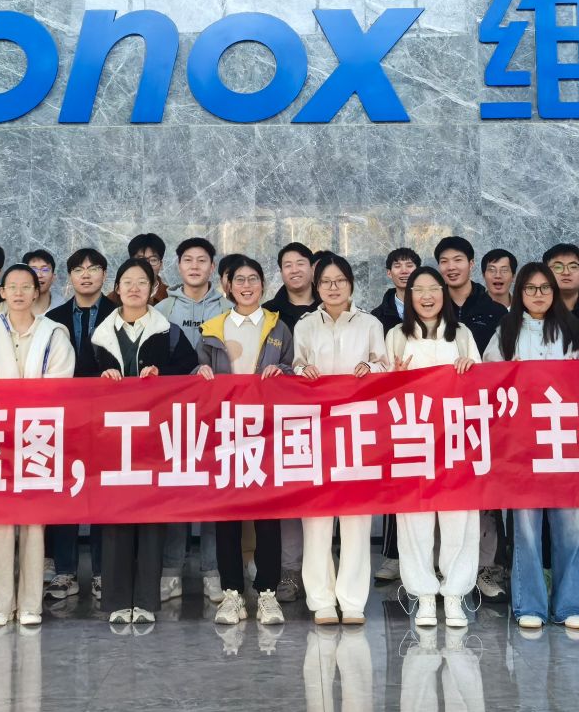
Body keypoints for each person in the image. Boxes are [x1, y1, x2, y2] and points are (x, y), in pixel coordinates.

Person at [89, 257, 198, 625]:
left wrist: (162, 375)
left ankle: (147, 601)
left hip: (154, 441)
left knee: (151, 520)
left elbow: (188, 374)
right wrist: (99, 379)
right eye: (127, 282)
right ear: (116, 289)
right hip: (111, 442)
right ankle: (117, 601)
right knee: (115, 520)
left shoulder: (169, 332)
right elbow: (79, 381)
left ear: (153, 289)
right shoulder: (99, 334)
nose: (134, 288)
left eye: (142, 282)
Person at [0, 264, 74, 628]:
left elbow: (60, 384)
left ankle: (30, 604)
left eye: (25, 287)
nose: (18, 293)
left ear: (36, 291)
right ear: (2, 293)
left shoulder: (53, 334)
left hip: (37, 437)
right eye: (11, 287)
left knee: (33, 523)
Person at [196, 254, 294, 626]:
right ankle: (232, 594)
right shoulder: (213, 328)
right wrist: (199, 370)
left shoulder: (278, 327)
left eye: (254, 279)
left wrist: (282, 370)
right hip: (225, 431)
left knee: (268, 515)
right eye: (240, 280)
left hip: (266, 431)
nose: (247, 285)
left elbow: (293, 369)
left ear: (263, 286)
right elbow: (198, 373)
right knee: (228, 516)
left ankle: (267, 593)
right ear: (228, 286)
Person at [289, 253, 387, 626]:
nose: (333, 288)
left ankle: (352, 600)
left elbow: (386, 366)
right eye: (326, 282)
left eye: (340, 281)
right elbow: (296, 365)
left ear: (351, 285)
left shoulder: (370, 323)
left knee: (356, 518)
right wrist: (302, 370)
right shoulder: (305, 325)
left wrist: (371, 367)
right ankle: (321, 600)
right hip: (316, 431)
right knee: (316, 519)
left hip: (357, 431)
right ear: (317, 287)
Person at [498, 263, 579, 632]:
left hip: (564, 442)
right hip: (522, 447)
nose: (538, 295)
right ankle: (530, 604)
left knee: (570, 527)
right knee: (526, 527)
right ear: (520, 293)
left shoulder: (573, 330)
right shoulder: (506, 331)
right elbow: (489, 383)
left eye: (545, 288)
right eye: (530, 289)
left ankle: (571, 604)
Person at [386, 267, 480, 629]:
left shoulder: (462, 334)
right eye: (419, 290)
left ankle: (454, 594)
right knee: (415, 520)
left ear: (445, 293)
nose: (427, 296)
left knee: (459, 518)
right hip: (412, 438)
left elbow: (481, 386)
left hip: (455, 440)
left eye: (434, 289)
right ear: (409, 296)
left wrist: (471, 368)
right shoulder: (397, 335)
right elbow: (380, 392)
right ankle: (424, 594)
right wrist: (393, 377)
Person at [42, 247, 116, 600]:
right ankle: (65, 571)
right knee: (65, 492)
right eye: (79, 269)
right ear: (69, 277)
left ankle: (103, 572)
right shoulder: (52, 318)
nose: (86, 275)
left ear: (104, 275)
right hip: (64, 418)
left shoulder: (119, 314)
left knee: (103, 493)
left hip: (107, 418)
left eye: (93, 268)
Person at [160, 236, 228, 602]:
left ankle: (212, 572)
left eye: (202, 260)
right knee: (177, 493)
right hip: (173, 415)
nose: (195, 266)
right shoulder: (162, 308)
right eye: (188, 260)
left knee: (215, 494)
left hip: (218, 415)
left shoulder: (229, 307)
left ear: (212, 267)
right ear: (179, 266)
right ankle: (170, 571)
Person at [433, 236, 505, 349]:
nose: (451, 267)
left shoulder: (496, 311)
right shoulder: (432, 309)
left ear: (471, 264)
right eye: (444, 261)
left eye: (458, 260)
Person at [264, 242, 320, 329]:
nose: (294, 270)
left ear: (312, 268)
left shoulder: (328, 306)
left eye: (300, 264)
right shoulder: (268, 312)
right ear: (281, 272)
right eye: (288, 265)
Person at [373, 247, 419, 332]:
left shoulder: (431, 307)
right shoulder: (376, 317)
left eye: (409, 266)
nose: (404, 271)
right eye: (397, 266)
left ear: (418, 271)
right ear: (389, 273)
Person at [125, 233, 170, 301]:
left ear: (161, 265)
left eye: (153, 260)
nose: (147, 265)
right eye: (141, 259)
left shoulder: (171, 297)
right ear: (130, 263)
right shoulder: (115, 298)